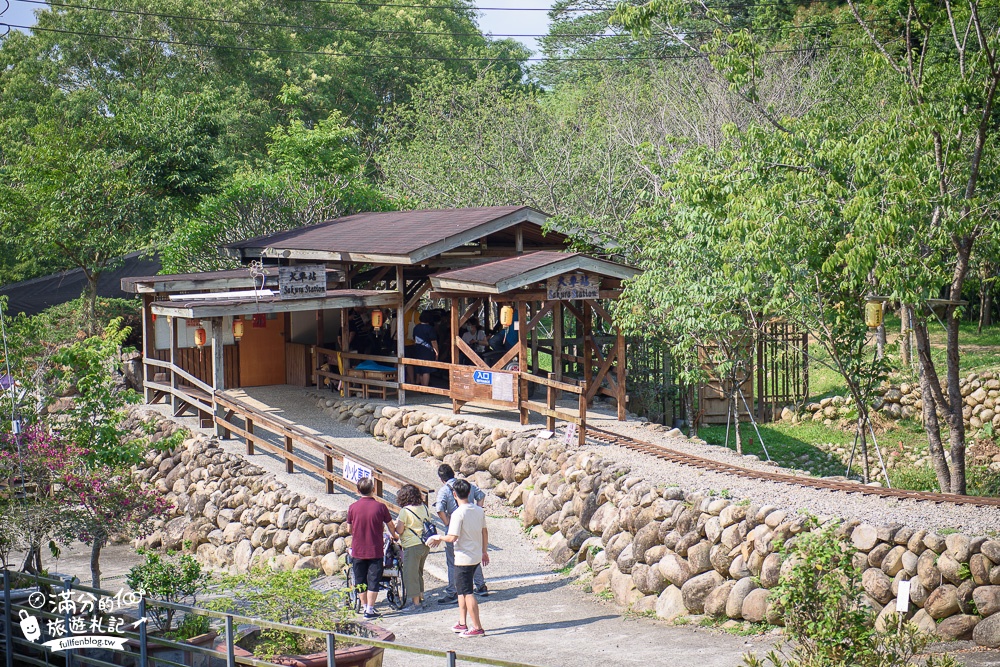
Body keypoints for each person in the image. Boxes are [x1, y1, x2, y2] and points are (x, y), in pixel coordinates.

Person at [427, 479, 489, 638]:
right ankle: (462, 622)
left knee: (467, 592)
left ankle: (477, 627)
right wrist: (484, 551)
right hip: (475, 555)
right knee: (461, 590)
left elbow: (453, 537)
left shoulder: (457, 513)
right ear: (469, 493)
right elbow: (484, 532)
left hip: (463, 558)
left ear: (454, 494)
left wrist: (438, 537)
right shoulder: (478, 510)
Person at [435, 464, 487, 604]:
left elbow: (439, 509)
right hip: (472, 525)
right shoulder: (465, 485)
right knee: (473, 557)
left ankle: (453, 591)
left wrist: (447, 522)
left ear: (441, 479)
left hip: (454, 526)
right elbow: (481, 496)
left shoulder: (444, 491)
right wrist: (477, 510)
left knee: (453, 561)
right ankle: (481, 585)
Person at [346, 477, 396, 619]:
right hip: (375, 549)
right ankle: (370, 609)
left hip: (358, 550)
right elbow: (390, 525)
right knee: (374, 580)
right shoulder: (381, 507)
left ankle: (364, 606)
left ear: (357, 490)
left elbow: (349, 528)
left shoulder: (352, 507)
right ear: (373, 490)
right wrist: (395, 536)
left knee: (360, 580)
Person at [392, 484, 432, 611]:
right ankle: (421, 598)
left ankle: (415, 604)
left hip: (412, 545)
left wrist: (393, 525)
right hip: (424, 545)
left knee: (410, 574)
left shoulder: (405, 511)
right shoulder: (424, 507)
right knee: (418, 572)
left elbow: (400, 530)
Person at [408, 311, 439, 386]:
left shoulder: (416, 327)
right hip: (427, 351)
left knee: (420, 369)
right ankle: (425, 387)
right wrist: (437, 352)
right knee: (426, 370)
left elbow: (414, 338)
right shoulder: (430, 328)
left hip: (418, 349)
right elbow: (433, 341)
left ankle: (422, 386)